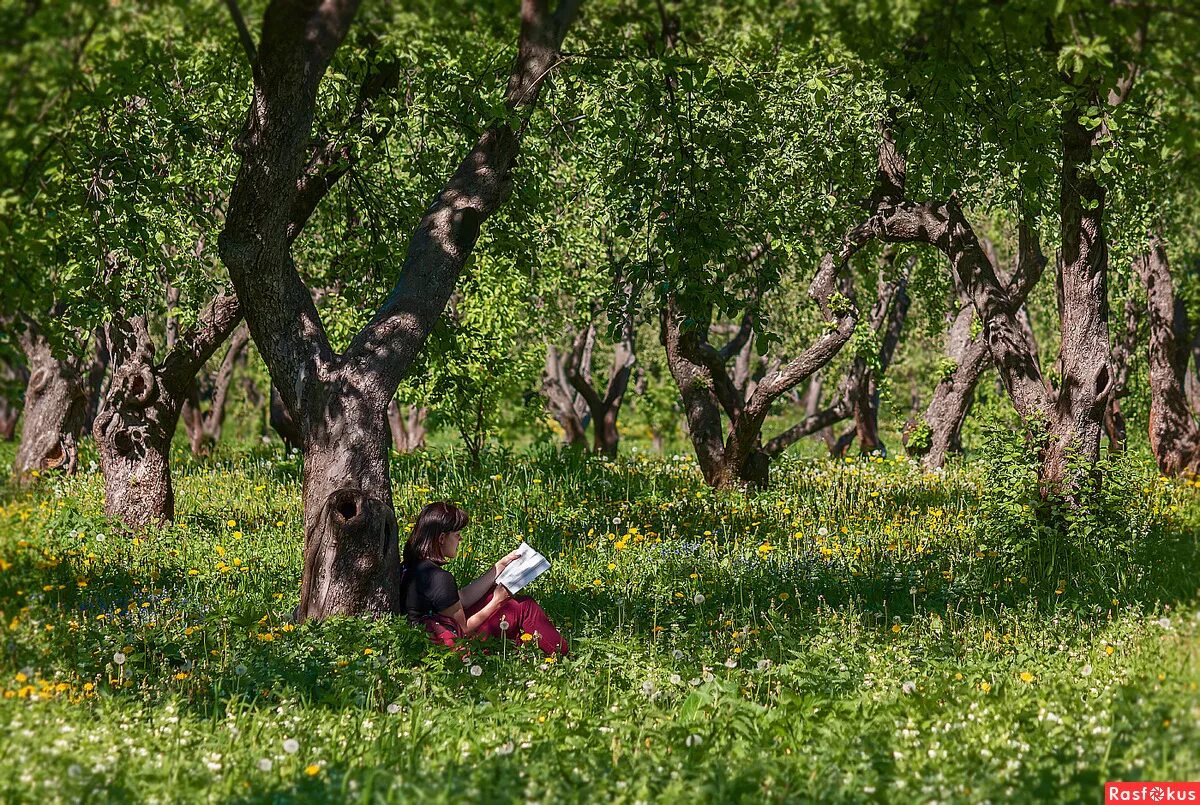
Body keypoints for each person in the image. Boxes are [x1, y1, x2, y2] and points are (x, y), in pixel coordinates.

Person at [400, 501, 568, 655]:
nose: (461, 539)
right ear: (442, 538)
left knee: (496, 598)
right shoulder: (439, 578)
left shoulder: (414, 566)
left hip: (427, 640)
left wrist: (498, 567)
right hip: (448, 647)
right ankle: (562, 654)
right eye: (457, 534)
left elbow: (461, 599)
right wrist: (497, 601)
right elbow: (463, 630)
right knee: (524, 606)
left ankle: (522, 650)